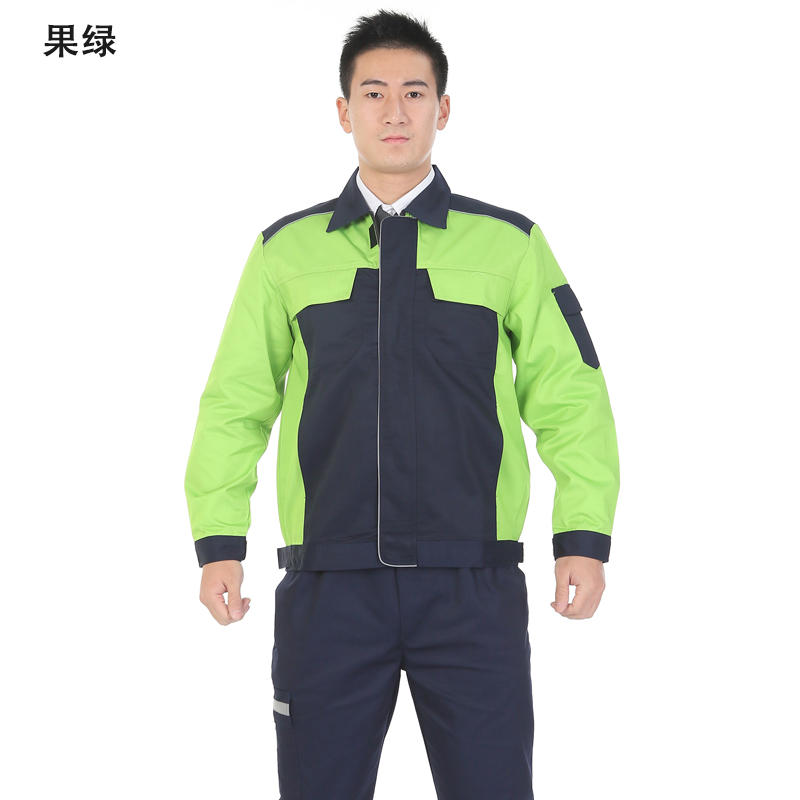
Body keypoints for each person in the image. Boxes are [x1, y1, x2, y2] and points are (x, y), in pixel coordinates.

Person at [184, 9, 620, 799]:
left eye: (414, 93)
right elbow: (235, 402)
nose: (395, 111)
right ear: (343, 111)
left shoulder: (509, 245)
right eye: (374, 92)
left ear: (443, 109)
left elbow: (569, 391)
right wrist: (219, 541)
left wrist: (582, 535)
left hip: (473, 587)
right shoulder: (285, 251)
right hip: (328, 587)